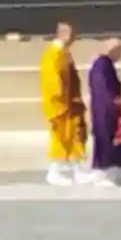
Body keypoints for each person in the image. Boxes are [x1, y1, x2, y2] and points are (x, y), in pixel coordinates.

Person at [40, 22, 90, 186]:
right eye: (73, 35)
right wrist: (60, 101)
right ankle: (54, 172)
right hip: (61, 105)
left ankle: (78, 171)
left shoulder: (63, 53)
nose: (75, 38)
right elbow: (52, 82)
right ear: (66, 35)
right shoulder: (53, 54)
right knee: (60, 139)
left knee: (75, 137)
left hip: (71, 103)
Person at [88, 39, 121, 187]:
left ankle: (113, 172)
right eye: (119, 51)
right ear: (113, 50)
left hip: (109, 108)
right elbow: (103, 88)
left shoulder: (106, 64)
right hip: (105, 110)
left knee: (116, 140)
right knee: (106, 140)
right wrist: (114, 103)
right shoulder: (102, 64)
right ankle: (103, 175)